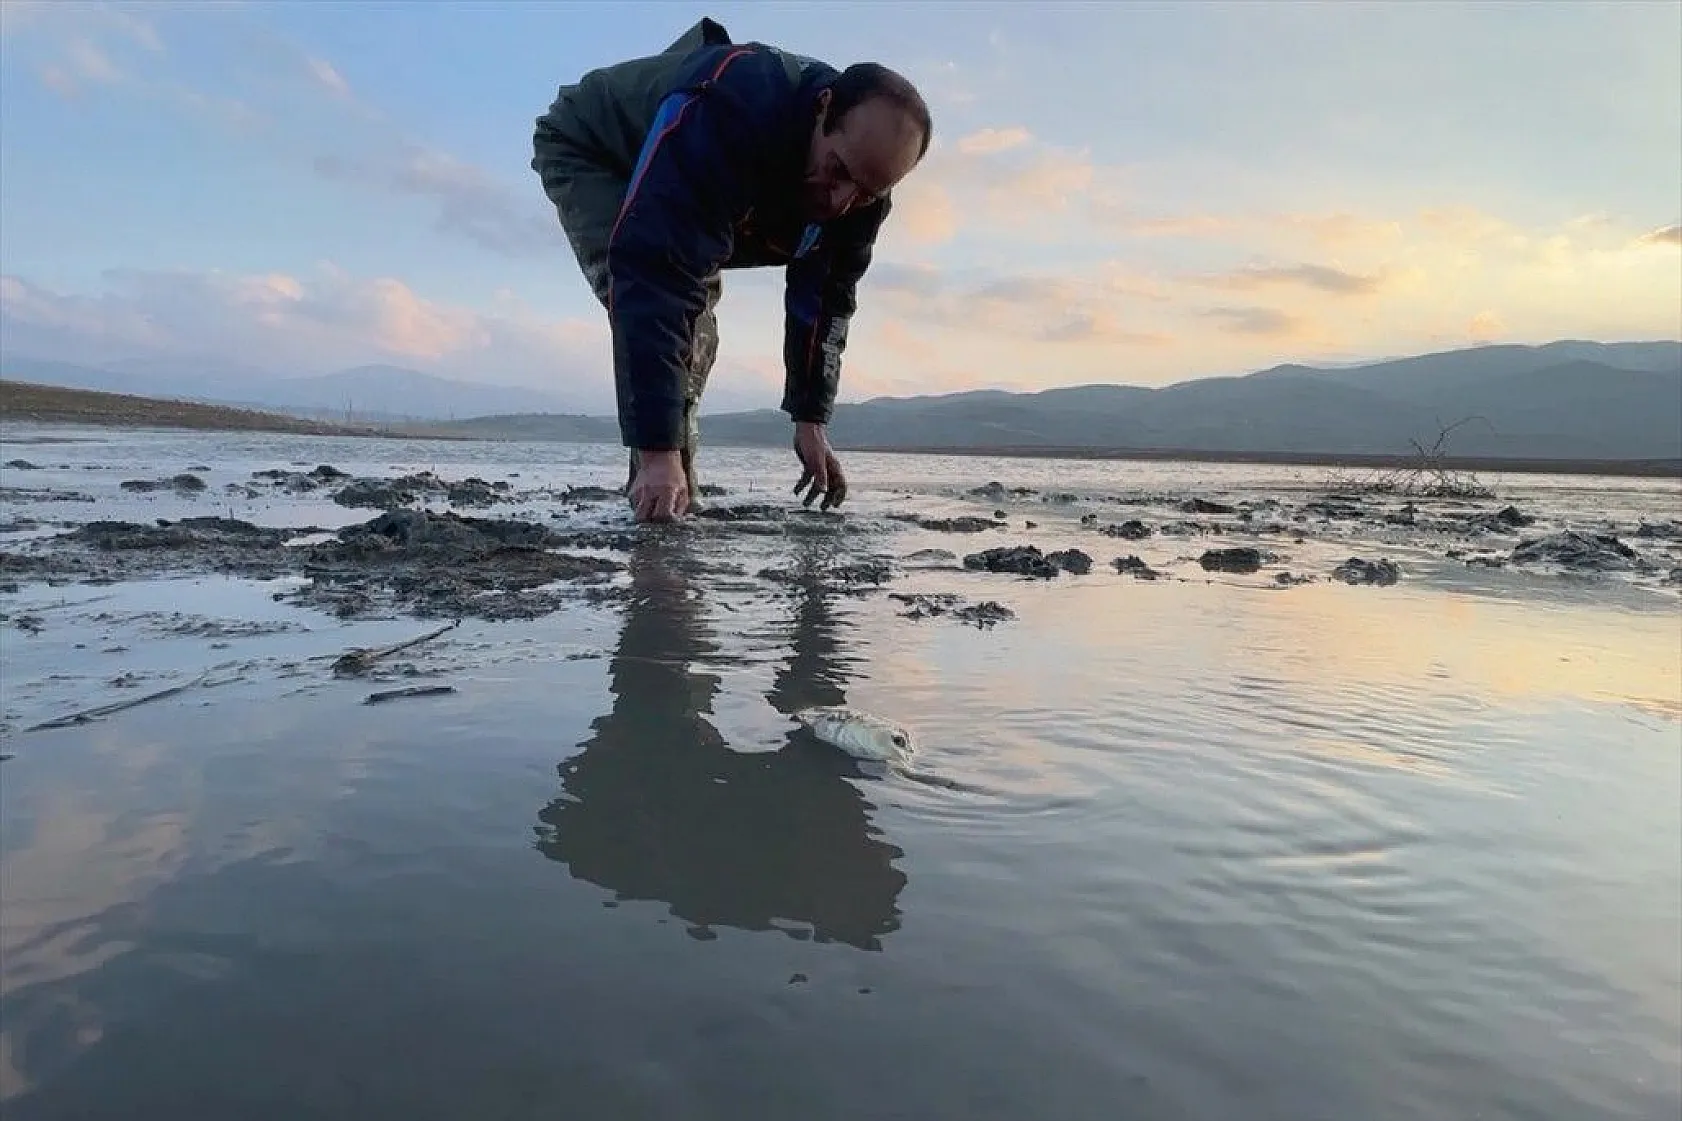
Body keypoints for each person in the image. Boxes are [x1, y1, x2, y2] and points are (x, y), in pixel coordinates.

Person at [530, 17, 932, 523]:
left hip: (714, 191)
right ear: (823, 108)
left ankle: (668, 491)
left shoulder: (860, 194)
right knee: (685, 320)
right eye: (838, 171)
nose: (840, 201)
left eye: (866, 193)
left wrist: (810, 419)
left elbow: (826, 300)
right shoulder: (733, 110)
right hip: (596, 151)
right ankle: (659, 495)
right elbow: (657, 274)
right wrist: (657, 451)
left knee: (697, 328)